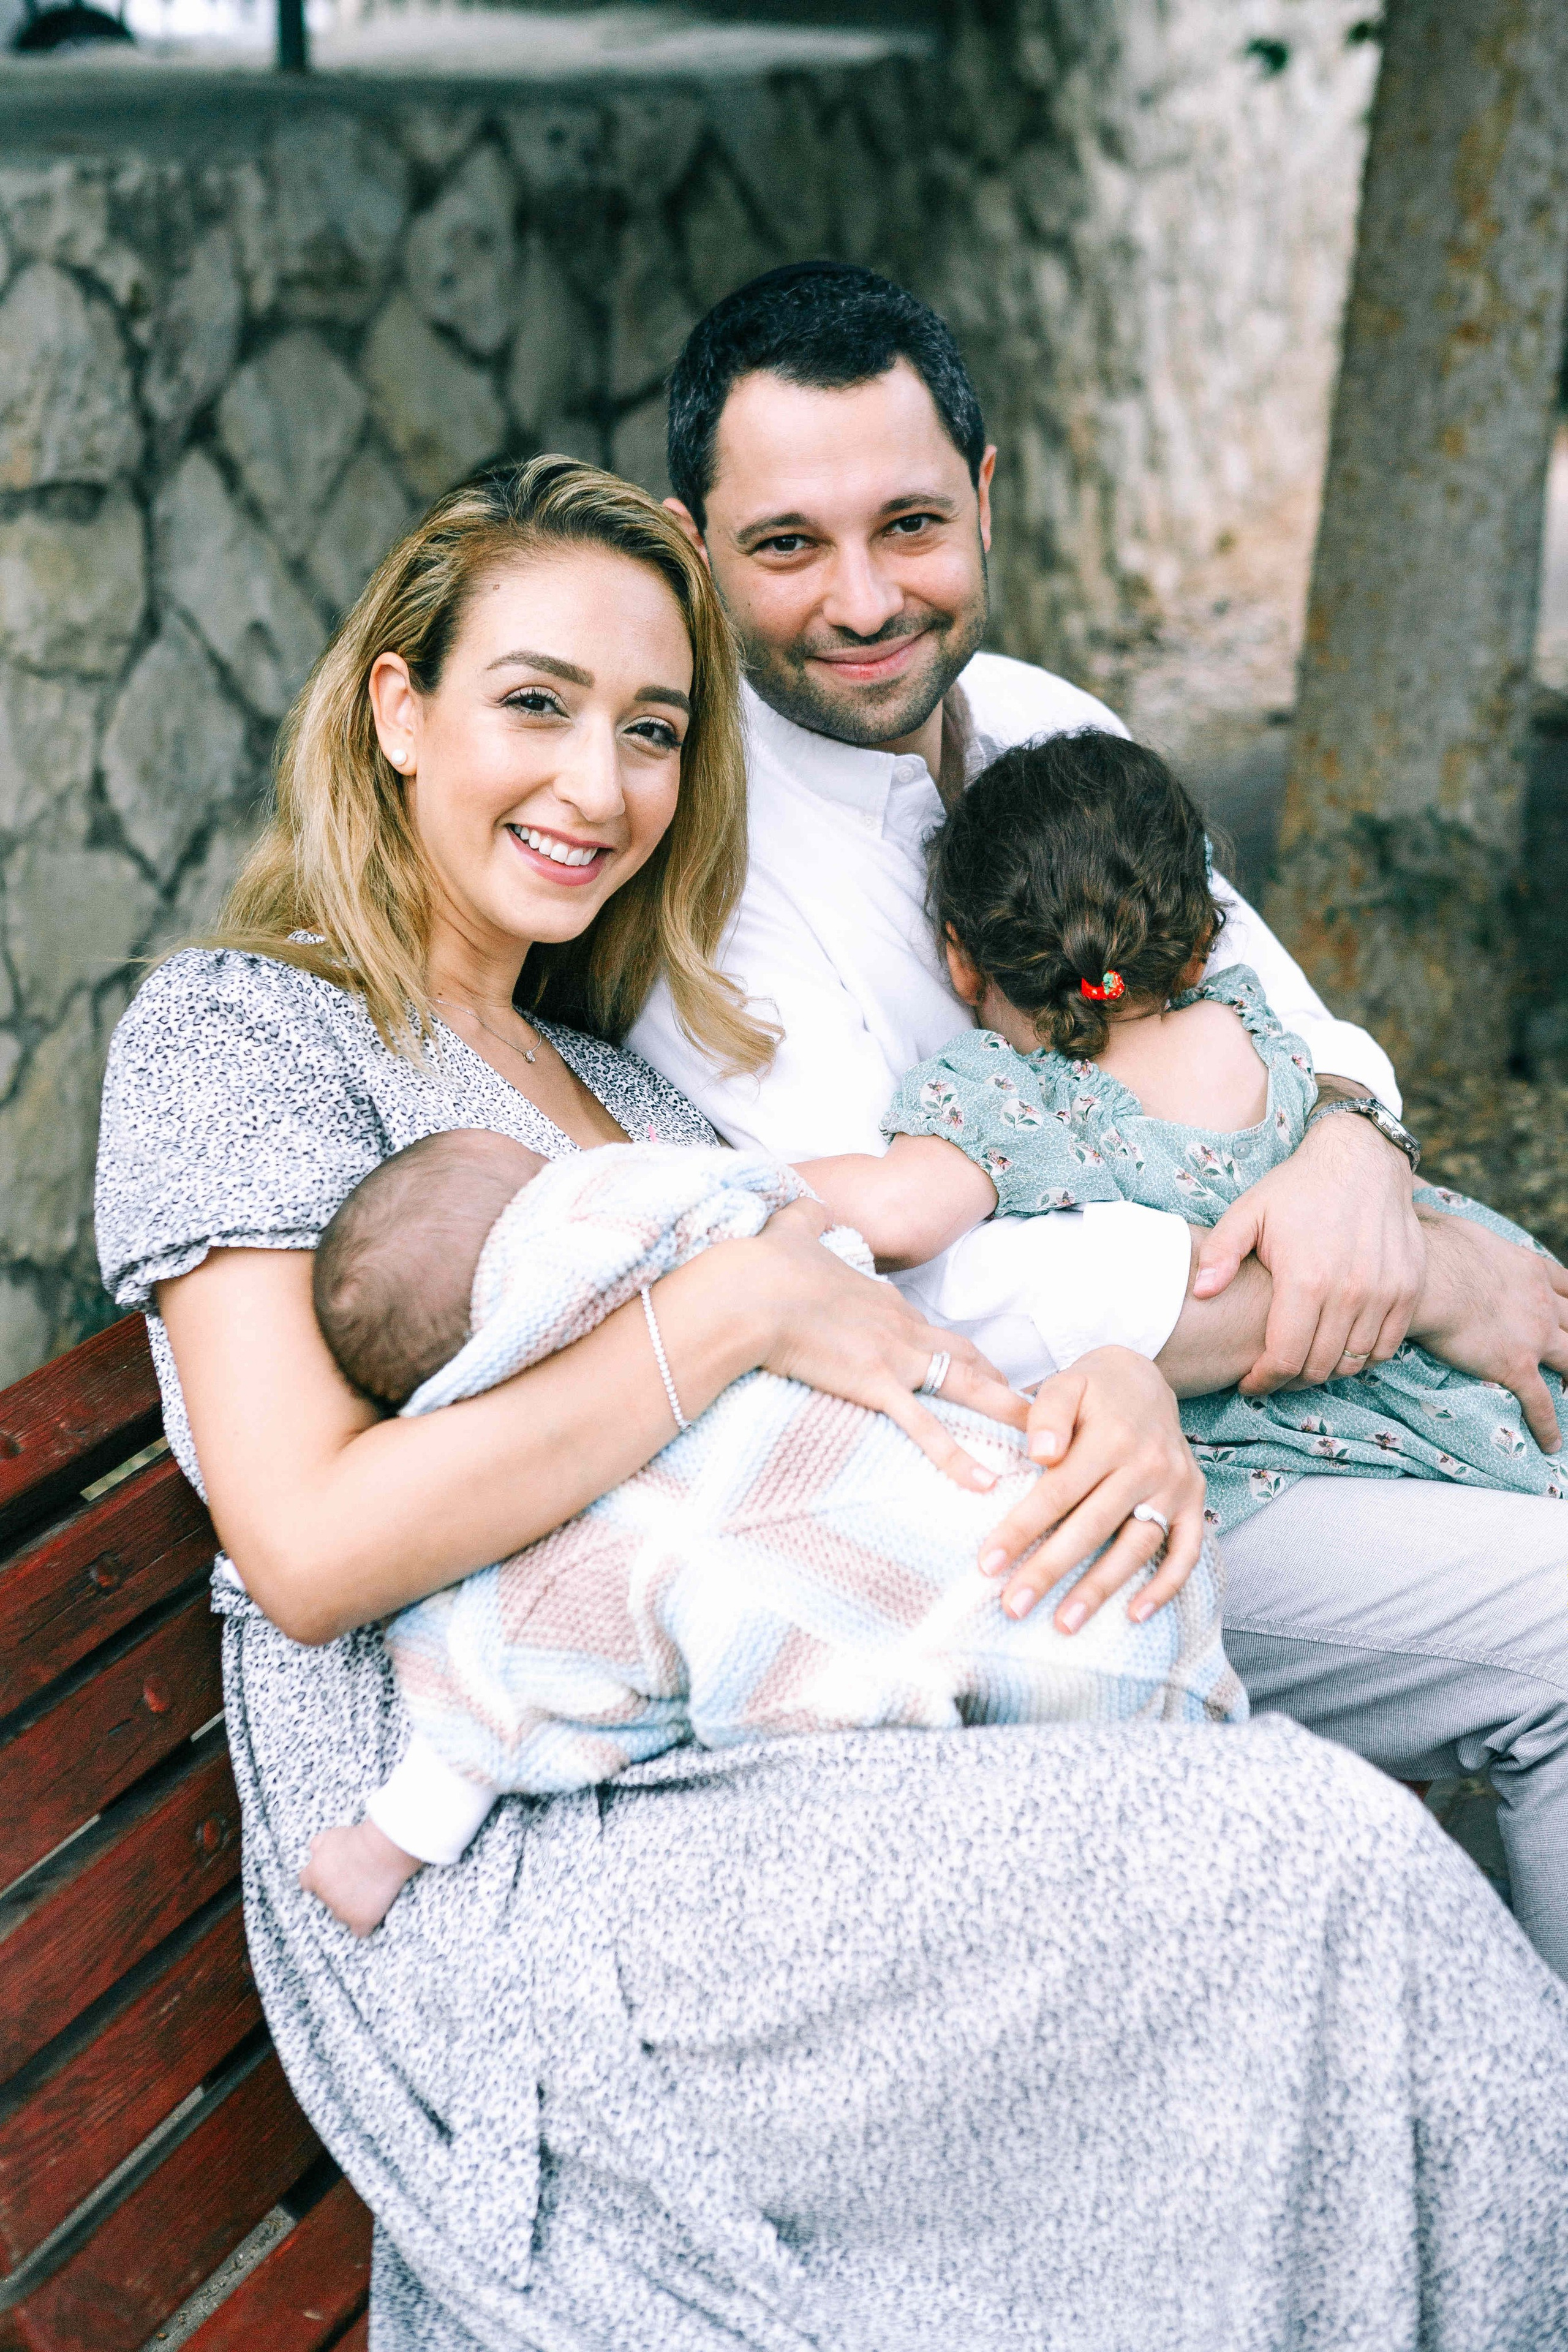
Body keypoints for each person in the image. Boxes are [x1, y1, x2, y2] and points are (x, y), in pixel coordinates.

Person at [92, 456, 1568, 2346]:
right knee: (1322, 1858)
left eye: (650, 731)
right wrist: (720, 1315)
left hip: (775, 1709)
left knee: (1268, 1843)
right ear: (398, 705)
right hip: (516, 1842)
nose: (598, 786)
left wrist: (1108, 1392)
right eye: (534, 703)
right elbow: (306, 1547)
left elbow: (869, 1352)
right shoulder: (242, 1030)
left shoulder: (614, 1080)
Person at [628, 262, 1568, 1977]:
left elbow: (1276, 1005)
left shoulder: (1052, 721)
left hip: (1276, 1404)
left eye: (909, 523)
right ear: (698, 551)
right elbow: (927, 1305)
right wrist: (1421, 1280)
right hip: (1062, 1509)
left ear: (987, 497)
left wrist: (1358, 1133)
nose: (860, 600)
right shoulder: (704, 871)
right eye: (786, 546)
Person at [300, 1127, 1242, 1937]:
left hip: (1001, 1708)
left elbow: (490, 1689)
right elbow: (786, 1219)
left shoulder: (579, 1546)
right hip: (1105, 1590)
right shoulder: (669, 1230)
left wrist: (381, 1849)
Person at [800, 728, 1567, 1535]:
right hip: (1472, 1383)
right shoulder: (1251, 1022)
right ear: (1200, 944)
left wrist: (690, 1174)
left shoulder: (1012, 1096)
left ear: (961, 958)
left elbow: (896, 1218)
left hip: (1316, 1449)